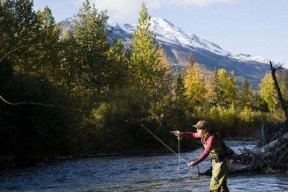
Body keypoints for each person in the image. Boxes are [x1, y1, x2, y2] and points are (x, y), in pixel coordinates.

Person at [170, 120, 229, 192]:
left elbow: (206, 152)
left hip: (221, 162)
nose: (196, 130)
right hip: (216, 162)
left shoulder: (211, 138)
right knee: (222, 185)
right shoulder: (203, 135)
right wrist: (181, 133)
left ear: (204, 129)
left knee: (214, 185)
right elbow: (192, 135)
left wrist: (195, 162)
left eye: (198, 128)